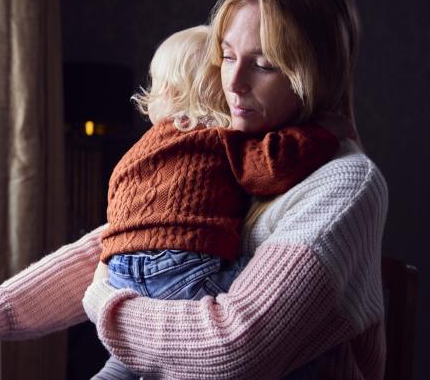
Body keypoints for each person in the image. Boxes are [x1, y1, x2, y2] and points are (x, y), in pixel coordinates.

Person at [0, 0, 386, 378]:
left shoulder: (342, 183)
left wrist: (105, 302)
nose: (232, 84)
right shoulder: (243, 148)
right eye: (227, 56)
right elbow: (128, 242)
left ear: (313, 72)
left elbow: (231, 345)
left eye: (265, 63)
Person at [93, 25, 339, 380]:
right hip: (182, 265)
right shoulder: (219, 136)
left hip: (119, 270)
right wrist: (324, 133)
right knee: (285, 319)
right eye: (226, 62)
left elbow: (116, 200)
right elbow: (270, 166)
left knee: (127, 363)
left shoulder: (141, 147)